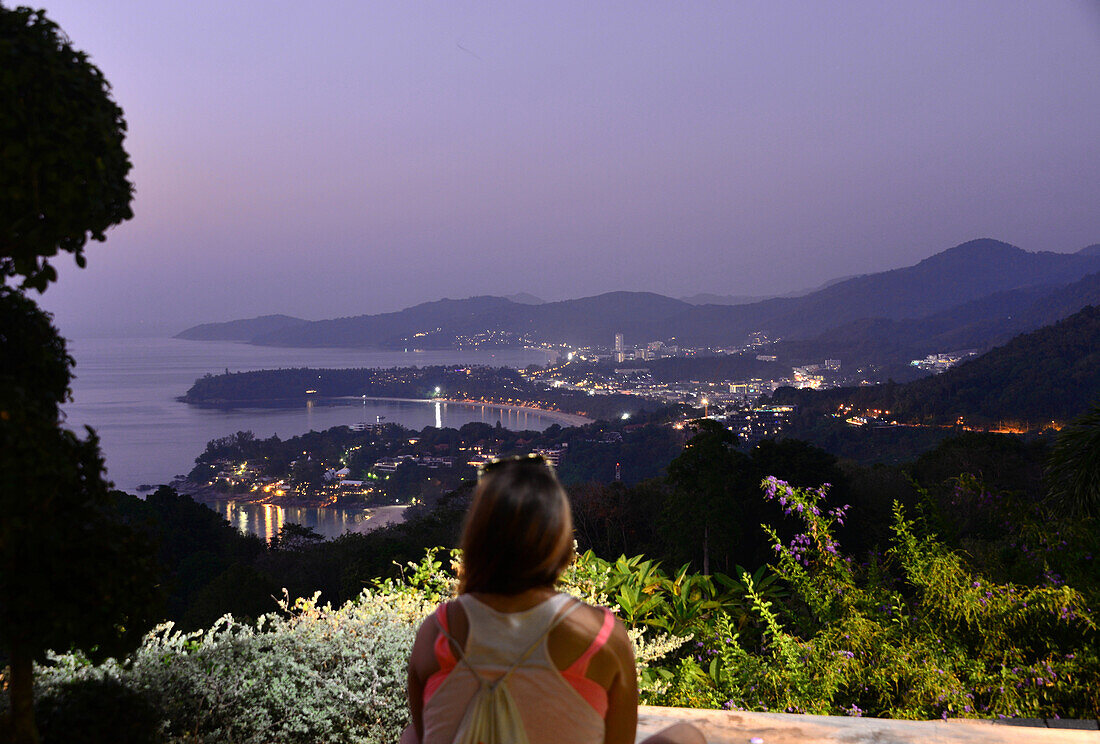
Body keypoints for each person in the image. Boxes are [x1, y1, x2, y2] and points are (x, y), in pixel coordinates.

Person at [401, 454, 705, 744]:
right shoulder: (600, 636)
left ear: (478, 538)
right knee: (689, 736)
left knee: (410, 736)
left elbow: (425, 731)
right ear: (558, 538)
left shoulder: (437, 632)